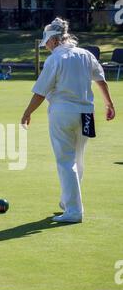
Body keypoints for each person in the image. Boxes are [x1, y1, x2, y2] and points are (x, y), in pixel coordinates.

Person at [21, 17, 115, 223]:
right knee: (78, 160)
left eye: (47, 41)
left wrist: (27, 112)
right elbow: (101, 80)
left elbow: (40, 91)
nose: (46, 45)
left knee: (65, 161)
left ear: (54, 40)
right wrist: (109, 104)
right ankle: (68, 201)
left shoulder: (55, 59)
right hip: (87, 113)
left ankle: (73, 210)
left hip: (63, 112)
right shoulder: (86, 54)